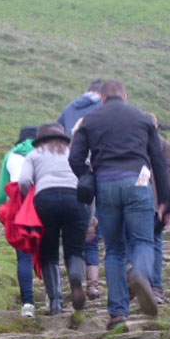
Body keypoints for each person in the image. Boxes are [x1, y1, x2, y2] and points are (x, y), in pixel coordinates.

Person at [69, 79, 170, 329]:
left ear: (102, 98)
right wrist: (166, 199)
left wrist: (87, 174)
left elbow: (74, 157)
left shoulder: (90, 120)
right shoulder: (142, 118)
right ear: (124, 96)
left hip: (106, 184)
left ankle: (118, 314)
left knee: (114, 250)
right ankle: (140, 273)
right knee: (144, 241)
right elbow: (158, 159)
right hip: (138, 181)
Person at [19, 123, 89, 315]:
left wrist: (28, 196)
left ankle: (56, 302)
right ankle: (75, 277)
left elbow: (24, 181)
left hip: (45, 200)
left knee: (48, 252)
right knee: (74, 250)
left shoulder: (34, 155)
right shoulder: (73, 152)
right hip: (75, 199)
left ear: (40, 139)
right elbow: (88, 177)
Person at [58, 80, 104, 300]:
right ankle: (94, 284)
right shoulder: (104, 109)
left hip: (66, 175)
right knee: (93, 236)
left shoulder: (70, 108)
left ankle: (73, 278)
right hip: (96, 170)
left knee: (73, 237)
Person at [0, 125, 39, 318]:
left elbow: (1, 194)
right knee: (48, 251)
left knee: (24, 256)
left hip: (18, 205)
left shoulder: (11, 155)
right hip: (41, 201)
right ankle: (56, 299)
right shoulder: (44, 151)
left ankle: (28, 303)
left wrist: (2, 213)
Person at [147, 113, 170, 304]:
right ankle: (155, 287)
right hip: (156, 203)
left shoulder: (126, 144)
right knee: (155, 242)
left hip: (130, 202)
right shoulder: (164, 146)